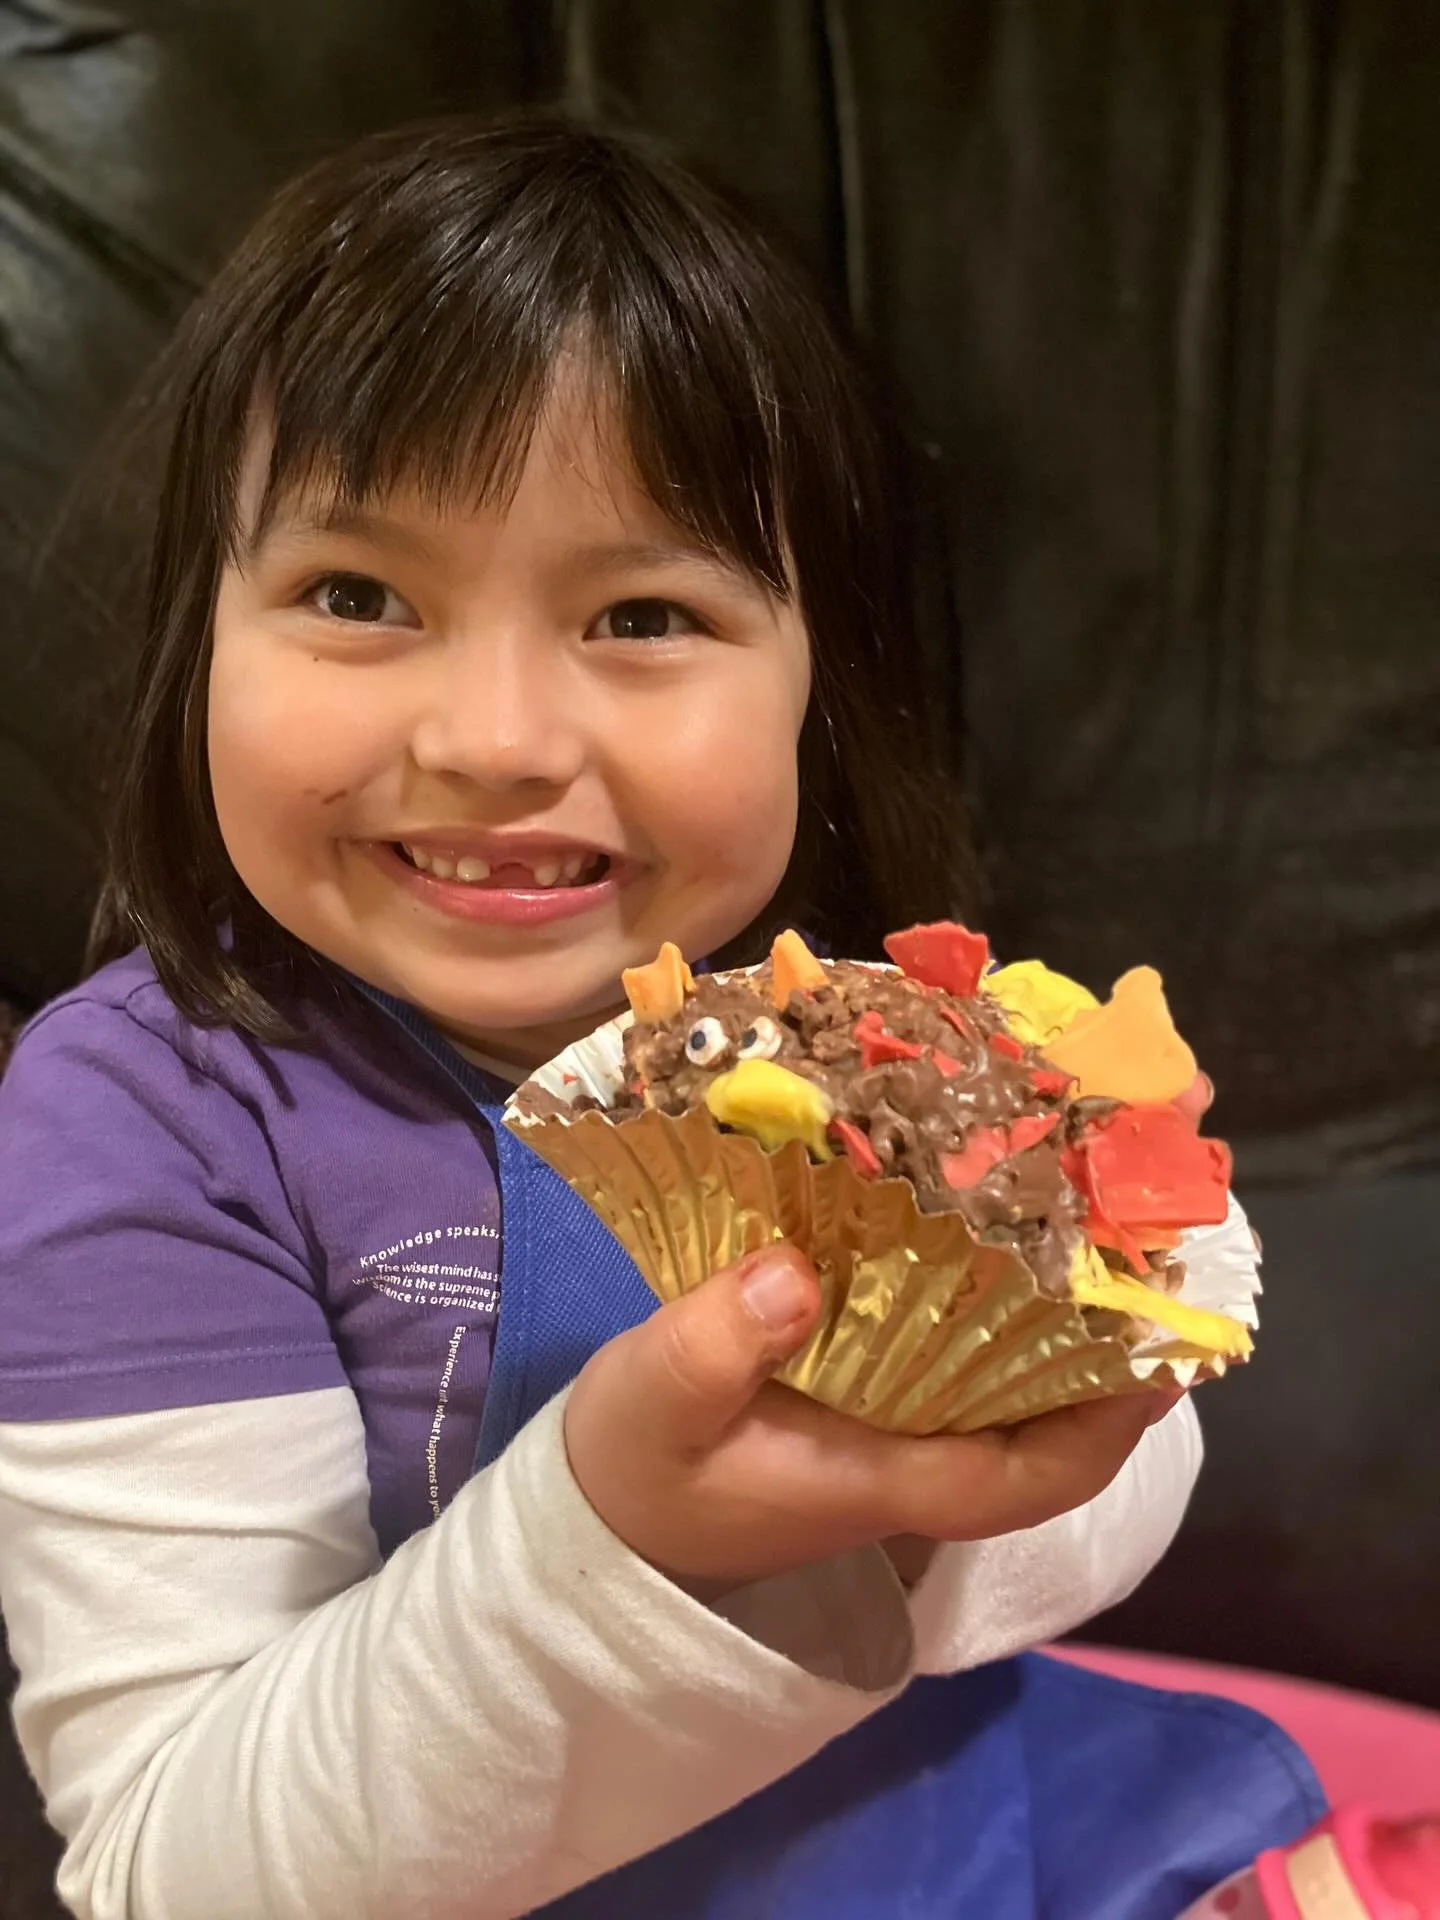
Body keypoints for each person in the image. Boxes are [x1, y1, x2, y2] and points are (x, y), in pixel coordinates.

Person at [0, 117, 1212, 1919]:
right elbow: (176, 1866)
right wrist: (632, 1543)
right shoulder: (143, 1122)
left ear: (822, 685)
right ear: (203, 642)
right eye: (356, 596)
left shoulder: (865, 1028)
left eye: (642, 610)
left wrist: (943, 1488)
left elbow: (1137, 1459)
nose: (494, 737)